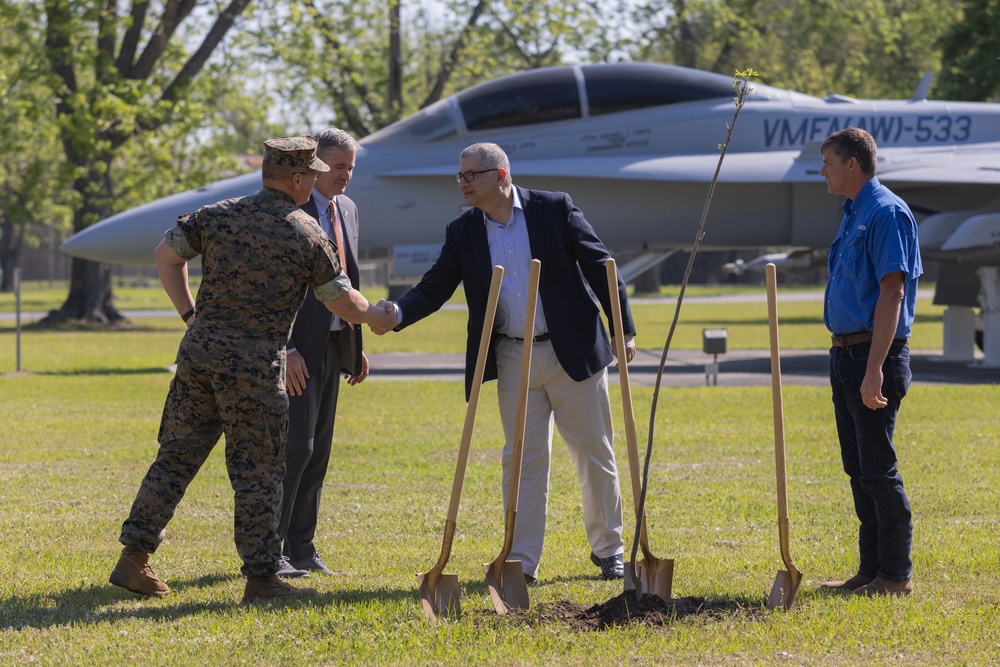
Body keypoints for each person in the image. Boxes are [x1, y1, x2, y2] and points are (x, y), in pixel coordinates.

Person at [109, 136, 397, 603]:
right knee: (259, 473)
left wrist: (190, 317)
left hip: (199, 358)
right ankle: (263, 579)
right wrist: (377, 318)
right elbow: (344, 301)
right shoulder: (304, 231)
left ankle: (134, 558)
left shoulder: (217, 214)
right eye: (314, 173)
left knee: (174, 459)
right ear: (300, 178)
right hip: (254, 368)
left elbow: (166, 255)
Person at [372, 142, 636, 583]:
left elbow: (599, 264)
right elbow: (436, 286)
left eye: (470, 175)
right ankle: (521, 561)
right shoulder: (463, 230)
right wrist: (396, 313)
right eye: (459, 176)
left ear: (500, 176)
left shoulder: (554, 208)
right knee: (523, 460)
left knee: (594, 453)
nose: (462, 184)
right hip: (513, 355)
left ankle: (609, 549)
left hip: (572, 348)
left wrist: (622, 327)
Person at [817, 127, 922, 597]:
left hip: (871, 356)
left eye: (829, 162)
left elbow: (892, 290)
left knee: (878, 468)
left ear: (852, 165)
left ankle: (896, 576)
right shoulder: (852, 213)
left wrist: (875, 367)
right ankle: (871, 569)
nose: (823, 170)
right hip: (845, 353)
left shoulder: (885, 212)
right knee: (857, 467)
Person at [277, 128, 365, 578]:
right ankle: (270, 552)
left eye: (350, 167)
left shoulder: (346, 209)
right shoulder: (290, 210)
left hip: (334, 346)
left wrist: (356, 342)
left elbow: (348, 279)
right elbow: (276, 289)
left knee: (319, 452)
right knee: (295, 447)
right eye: (337, 166)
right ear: (313, 166)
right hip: (297, 352)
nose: (345, 175)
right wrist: (286, 347)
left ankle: (303, 549)